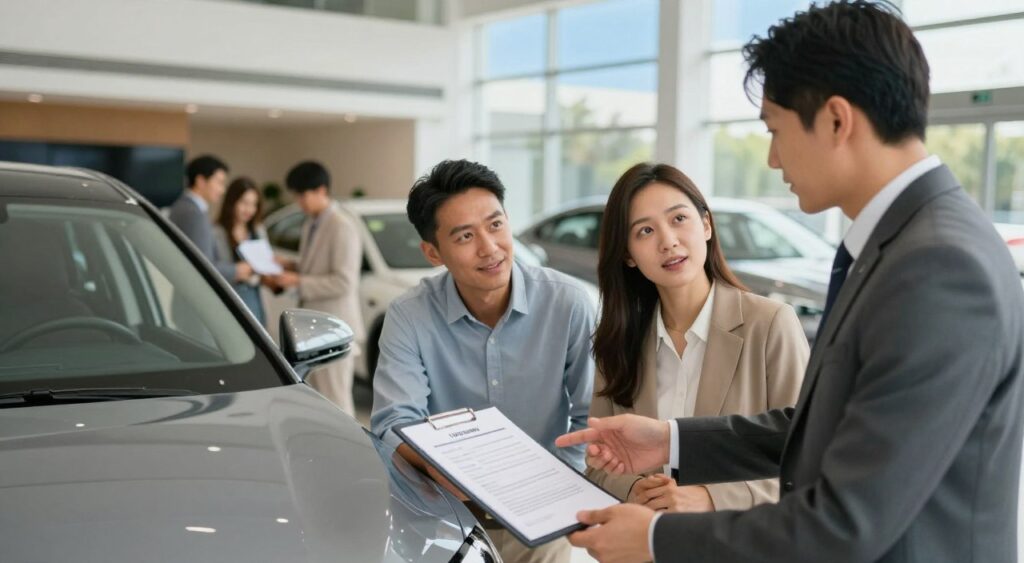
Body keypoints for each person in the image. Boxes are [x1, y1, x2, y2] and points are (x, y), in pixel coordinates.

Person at [555, 2, 1024, 562]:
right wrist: (672, 439)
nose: (774, 159)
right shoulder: (902, 243)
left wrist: (656, 539)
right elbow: (826, 426)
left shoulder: (940, 267)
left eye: (775, 130)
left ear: (835, 120)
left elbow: (846, 523)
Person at [371, 159, 595, 563]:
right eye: (464, 236)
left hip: (546, 518)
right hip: (450, 518)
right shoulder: (409, 315)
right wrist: (441, 470)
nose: (489, 248)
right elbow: (393, 424)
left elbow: (591, 415)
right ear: (432, 252)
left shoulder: (568, 302)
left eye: (495, 225)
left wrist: (557, 490)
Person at [587, 162, 808, 513]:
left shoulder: (770, 324)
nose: (668, 241)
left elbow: (807, 459)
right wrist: (637, 490)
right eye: (645, 231)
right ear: (627, 255)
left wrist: (710, 499)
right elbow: (598, 463)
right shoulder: (617, 340)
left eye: (678, 219)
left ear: (706, 224)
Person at [268, 161, 363, 415]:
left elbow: (343, 282)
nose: (299, 202)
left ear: (321, 190)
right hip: (314, 329)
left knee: (337, 402)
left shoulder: (342, 225)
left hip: (334, 328)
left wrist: (297, 281)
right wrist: (291, 264)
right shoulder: (312, 223)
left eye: (302, 195)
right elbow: (318, 267)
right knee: (318, 401)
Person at [168, 155, 251, 284]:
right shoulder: (193, 213)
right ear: (201, 181)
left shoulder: (186, 207)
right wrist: (237, 270)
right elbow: (203, 266)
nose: (222, 190)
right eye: (219, 182)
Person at [213, 176, 268, 326]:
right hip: (228, 298)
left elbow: (265, 262)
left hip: (253, 297)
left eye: (253, 204)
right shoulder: (216, 232)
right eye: (244, 203)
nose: (249, 210)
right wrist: (239, 270)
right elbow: (211, 267)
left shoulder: (257, 230)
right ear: (232, 202)